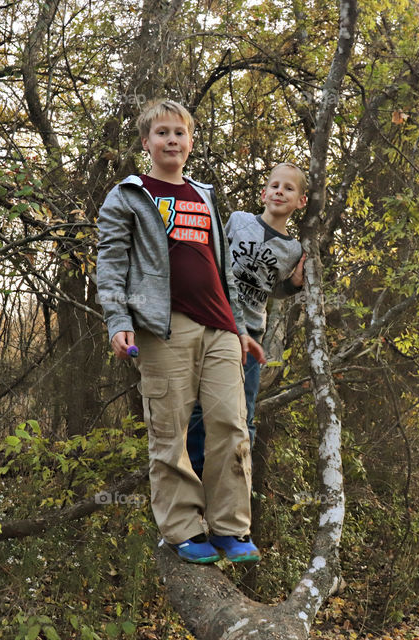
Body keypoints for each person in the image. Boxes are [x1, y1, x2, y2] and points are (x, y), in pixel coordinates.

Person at [95, 98, 264, 564]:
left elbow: (223, 269)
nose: (172, 140)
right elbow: (111, 263)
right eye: (162, 132)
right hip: (163, 329)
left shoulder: (203, 194)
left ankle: (230, 528)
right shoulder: (129, 195)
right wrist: (118, 321)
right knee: (169, 432)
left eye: (179, 133)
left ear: (190, 142)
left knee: (231, 426)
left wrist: (241, 327)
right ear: (146, 142)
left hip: (221, 328)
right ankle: (183, 530)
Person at [187, 163, 307, 478]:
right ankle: (195, 476)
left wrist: (294, 284)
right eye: (275, 186)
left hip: (251, 336)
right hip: (214, 324)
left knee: (244, 410)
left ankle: (238, 479)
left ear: (301, 201)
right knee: (200, 407)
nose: (280, 192)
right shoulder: (239, 221)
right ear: (264, 193)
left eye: (289, 188)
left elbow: (273, 287)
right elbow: (214, 259)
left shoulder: (293, 249)